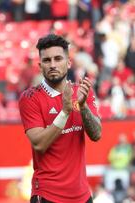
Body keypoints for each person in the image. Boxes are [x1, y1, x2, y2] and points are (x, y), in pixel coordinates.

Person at [19, 34, 102, 203]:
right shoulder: (30, 98)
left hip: (82, 195)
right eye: (47, 60)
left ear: (68, 63)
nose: (53, 65)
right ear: (40, 65)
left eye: (58, 59)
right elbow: (39, 144)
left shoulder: (82, 92)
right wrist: (65, 112)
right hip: (49, 195)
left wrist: (83, 106)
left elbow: (96, 134)